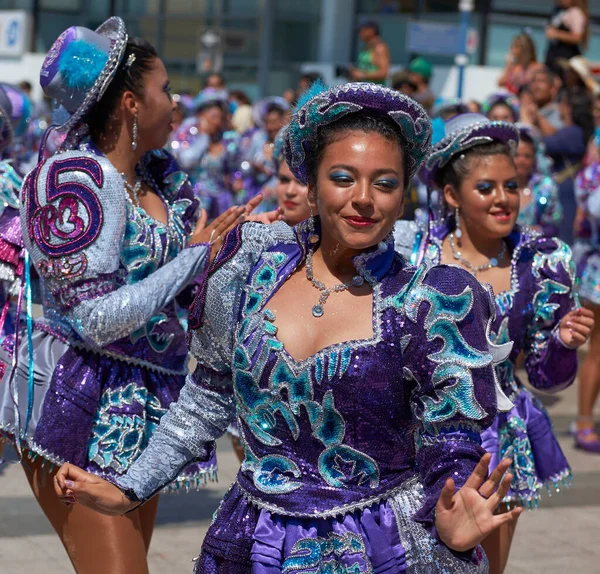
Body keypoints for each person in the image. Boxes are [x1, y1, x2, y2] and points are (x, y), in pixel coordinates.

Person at [55, 82, 522, 572]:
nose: (364, 199)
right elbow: (207, 400)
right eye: (343, 178)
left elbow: (451, 443)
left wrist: (451, 522)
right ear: (312, 182)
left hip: (381, 548)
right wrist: (130, 485)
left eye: (385, 184)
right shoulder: (248, 267)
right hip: (256, 544)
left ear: (403, 195)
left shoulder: (431, 300)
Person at [0, 19, 261, 573]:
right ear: (129, 103)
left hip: (146, 395)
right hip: (76, 397)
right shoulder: (77, 180)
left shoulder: (156, 180)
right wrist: (196, 256)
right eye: (165, 89)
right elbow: (94, 319)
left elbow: (176, 297)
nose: (177, 101)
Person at [396, 113, 593, 574]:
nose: (504, 199)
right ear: (451, 195)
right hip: (413, 432)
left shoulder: (541, 261)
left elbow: (547, 378)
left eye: (512, 186)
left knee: (485, 567)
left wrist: (562, 344)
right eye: (486, 188)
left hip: (496, 441)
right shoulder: (413, 255)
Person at [171, 88, 242, 218]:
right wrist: (203, 137)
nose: (215, 121)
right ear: (200, 115)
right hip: (195, 199)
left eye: (219, 117)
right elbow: (186, 161)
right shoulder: (189, 132)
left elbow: (235, 169)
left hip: (222, 202)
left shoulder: (229, 139)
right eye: (211, 117)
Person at [572, 155, 600, 453]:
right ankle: (583, 421)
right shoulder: (593, 175)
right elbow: (587, 215)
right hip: (597, 270)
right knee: (598, 350)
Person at [543, 87, 594, 244]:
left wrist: (531, 115)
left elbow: (543, 143)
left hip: (566, 195)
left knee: (563, 240)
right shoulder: (576, 131)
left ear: (568, 107)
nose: (559, 107)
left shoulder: (573, 132)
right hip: (568, 192)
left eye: (561, 104)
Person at [240, 96, 289, 207]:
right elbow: (244, 164)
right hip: (253, 193)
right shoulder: (258, 139)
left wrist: (271, 185)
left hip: (277, 198)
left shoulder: (287, 143)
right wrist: (253, 168)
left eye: (274, 122)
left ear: (282, 122)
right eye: (267, 122)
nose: (270, 127)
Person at [514, 123, 562, 236]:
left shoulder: (546, 186)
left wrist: (535, 232)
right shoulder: (500, 187)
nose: (521, 161)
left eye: (527, 156)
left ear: (534, 158)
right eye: (516, 155)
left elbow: (554, 225)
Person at [545, 0, 590, 79]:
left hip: (565, 59)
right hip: (553, 57)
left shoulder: (575, 12)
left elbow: (577, 37)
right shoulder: (559, 10)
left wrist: (557, 34)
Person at [520, 67, 563, 136]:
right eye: (534, 81)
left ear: (552, 89)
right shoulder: (525, 107)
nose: (536, 86)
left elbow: (554, 135)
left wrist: (537, 115)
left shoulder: (559, 111)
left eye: (541, 81)